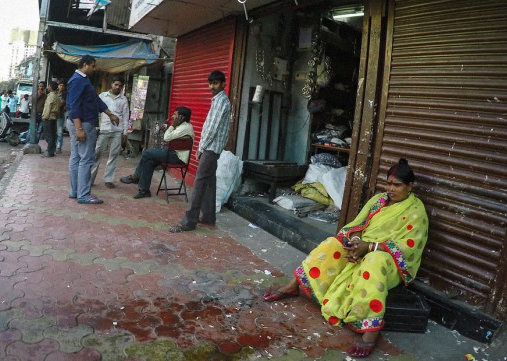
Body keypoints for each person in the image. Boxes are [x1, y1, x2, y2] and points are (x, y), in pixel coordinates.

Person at [262, 158, 428, 358]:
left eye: (397, 185)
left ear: (410, 186)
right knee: (332, 244)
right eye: (388, 183)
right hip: (363, 247)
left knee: (374, 261)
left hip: (387, 259)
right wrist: (356, 242)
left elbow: (409, 247)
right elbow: (356, 225)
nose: (390, 189)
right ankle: (293, 285)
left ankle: (370, 330)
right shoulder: (379, 201)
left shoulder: (416, 211)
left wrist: (370, 247)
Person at [169, 70, 230, 232]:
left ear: (223, 84)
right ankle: (209, 217)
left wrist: (201, 147)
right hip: (212, 147)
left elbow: (212, 129)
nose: (212, 86)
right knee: (209, 182)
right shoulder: (218, 100)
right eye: (210, 83)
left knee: (199, 182)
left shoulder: (222, 102)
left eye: (216, 83)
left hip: (210, 148)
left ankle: (189, 221)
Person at [67, 54, 119, 205]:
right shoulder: (77, 81)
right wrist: (79, 128)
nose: (94, 69)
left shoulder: (83, 80)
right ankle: (83, 194)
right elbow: (74, 105)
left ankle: (75, 191)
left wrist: (110, 114)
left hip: (81, 123)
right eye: (93, 66)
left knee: (77, 157)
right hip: (83, 123)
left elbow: (96, 100)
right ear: (84, 65)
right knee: (86, 158)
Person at [120, 106, 195, 198]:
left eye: (175, 115)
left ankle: (136, 176)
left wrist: (172, 125)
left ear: (181, 117)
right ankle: (144, 190)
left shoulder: (184, 128)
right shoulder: (183, 126)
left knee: (148, 152)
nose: (172, 116)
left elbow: (166, 138)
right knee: (149, 162)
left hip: (177, 157)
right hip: (172, 153)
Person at [90, 75, 130, 189]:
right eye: (116, 84)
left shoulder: (123, 99)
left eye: (120, 86)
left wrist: (125, 132)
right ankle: (90, 178)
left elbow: (126, 116)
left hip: (117, 131)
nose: (117, 87)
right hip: (103, 129)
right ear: (111, 84)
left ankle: (108, 179)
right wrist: (96, 127)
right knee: (96, 154)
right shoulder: (102, 96)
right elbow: (96, 112)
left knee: (113, 155)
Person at [40, 82, 61, 157]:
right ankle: (51, 150)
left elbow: (48, 107)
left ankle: (49, 151)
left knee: (49, 135)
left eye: (48, 86)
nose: (48, 87)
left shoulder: (50, 96)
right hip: (54, 118)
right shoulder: (57, 96)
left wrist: (45, 117)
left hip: (48, 118)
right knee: (53, 135)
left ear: (51, 87)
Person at [55, 80, 67, 154]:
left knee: (59, 132)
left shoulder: (65, 95)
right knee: (54, 132)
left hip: (60, 115)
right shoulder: (55, 93)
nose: (61, 87)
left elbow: (61, 104)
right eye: (60, 85)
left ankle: (58, 147)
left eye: (63, 85)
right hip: (53, 116)